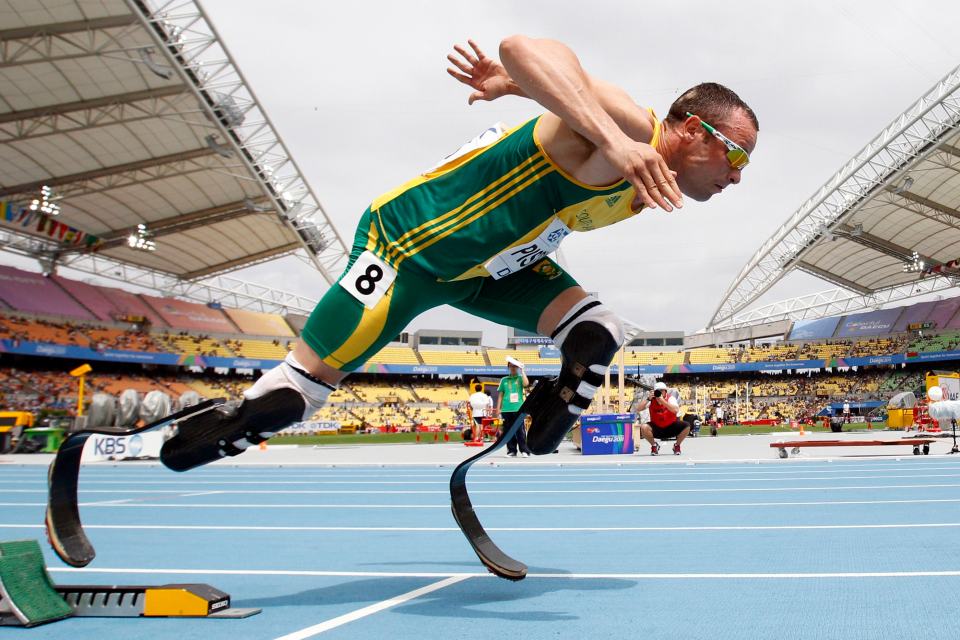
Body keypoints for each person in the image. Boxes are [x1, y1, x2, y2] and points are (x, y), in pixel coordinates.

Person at [160, 35, 759, 471]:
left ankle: (555, 402)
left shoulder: (643, 177)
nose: (737, 177)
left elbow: (533, 79)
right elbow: (525, 45)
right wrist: (610, 140)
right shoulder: (632, 128)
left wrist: (512, 87)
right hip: (406, 247)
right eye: (737, 156)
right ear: (693, 130)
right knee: (301, 389)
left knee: (597, 328)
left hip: (489, 271)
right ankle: (215, 429)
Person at [635, 382, 690, 455]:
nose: (660, 393)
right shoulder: (651, 400)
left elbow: (675, 410)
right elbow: (638, 409)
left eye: (662, 391)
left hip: (670, 426)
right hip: (657, 427)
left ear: (665, 391)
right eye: (658, 391)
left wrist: (663, 401)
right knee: (644, 427)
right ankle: (654, 445)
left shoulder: (671, 398)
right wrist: (648, 399)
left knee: (686, 426)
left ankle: (677, 445)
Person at [498, 357, 531, 456]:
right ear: (508, 367)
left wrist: (522, 370)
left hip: (518, 408)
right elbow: (500, 395)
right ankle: (512, 450)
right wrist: (498, 408)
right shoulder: (504, 380)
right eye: (511, 366)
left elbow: (526, 384)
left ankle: (524, 450)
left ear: (517, 367)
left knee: (520, 430)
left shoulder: (520, 378)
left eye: (515, 366)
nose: (513, 368)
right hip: (506, 409)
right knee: (508, 431)